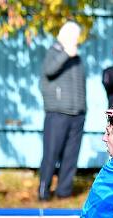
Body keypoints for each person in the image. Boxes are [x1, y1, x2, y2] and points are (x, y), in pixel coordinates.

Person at [38, 21, 86, 201]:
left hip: (77, 114)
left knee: (71, 156)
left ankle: (64, 192)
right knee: (51, 154)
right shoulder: (54, 52)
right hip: (57, 113)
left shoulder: (77, 58)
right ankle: (44, 192)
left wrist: (83, 108)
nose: (76, 40)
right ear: (64, 35)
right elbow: (49, 71)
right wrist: (66, 54)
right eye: (74, 36)